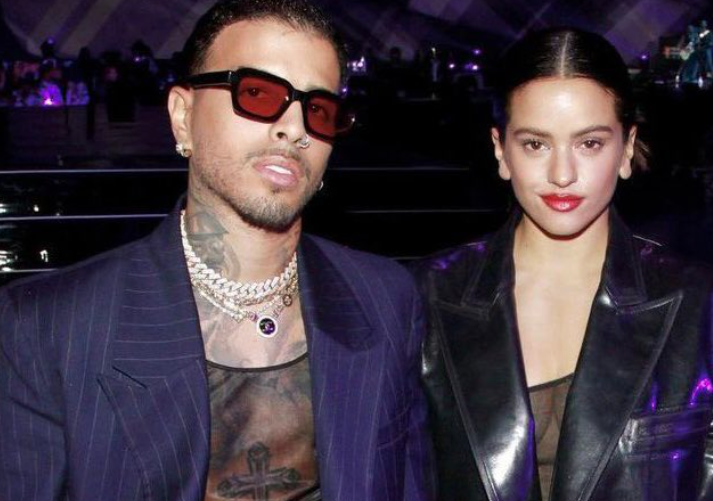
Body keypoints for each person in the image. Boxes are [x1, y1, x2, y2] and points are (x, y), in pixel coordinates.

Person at [0, 1, 435, 499]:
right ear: (183, 117)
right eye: (257, 93)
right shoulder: (47, 327)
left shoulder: (385, 299)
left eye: (319, 110)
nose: (295, 128)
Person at [414, 28, 713, 500]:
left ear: (627, 148)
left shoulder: (698, 304)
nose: (562, 174)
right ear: (500, 150)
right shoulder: (424, 299)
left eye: (589, 143)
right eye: (536, 144)